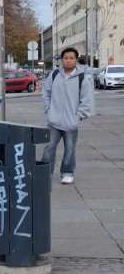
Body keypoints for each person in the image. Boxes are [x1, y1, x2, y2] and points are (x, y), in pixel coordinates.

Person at [41, 47, 94, 184]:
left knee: (70, 149)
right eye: (66, 58)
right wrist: (48, 109)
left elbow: (87, 100)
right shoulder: (54, 75)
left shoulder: (82, 78)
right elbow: (46, 93)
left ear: (76, 60)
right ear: (61, 60)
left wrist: (79, 116)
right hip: (54, 121)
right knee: (48, 148)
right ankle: (45, 174)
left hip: (71, 122)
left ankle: (67, 172)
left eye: (71, 58)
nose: (68, 61)